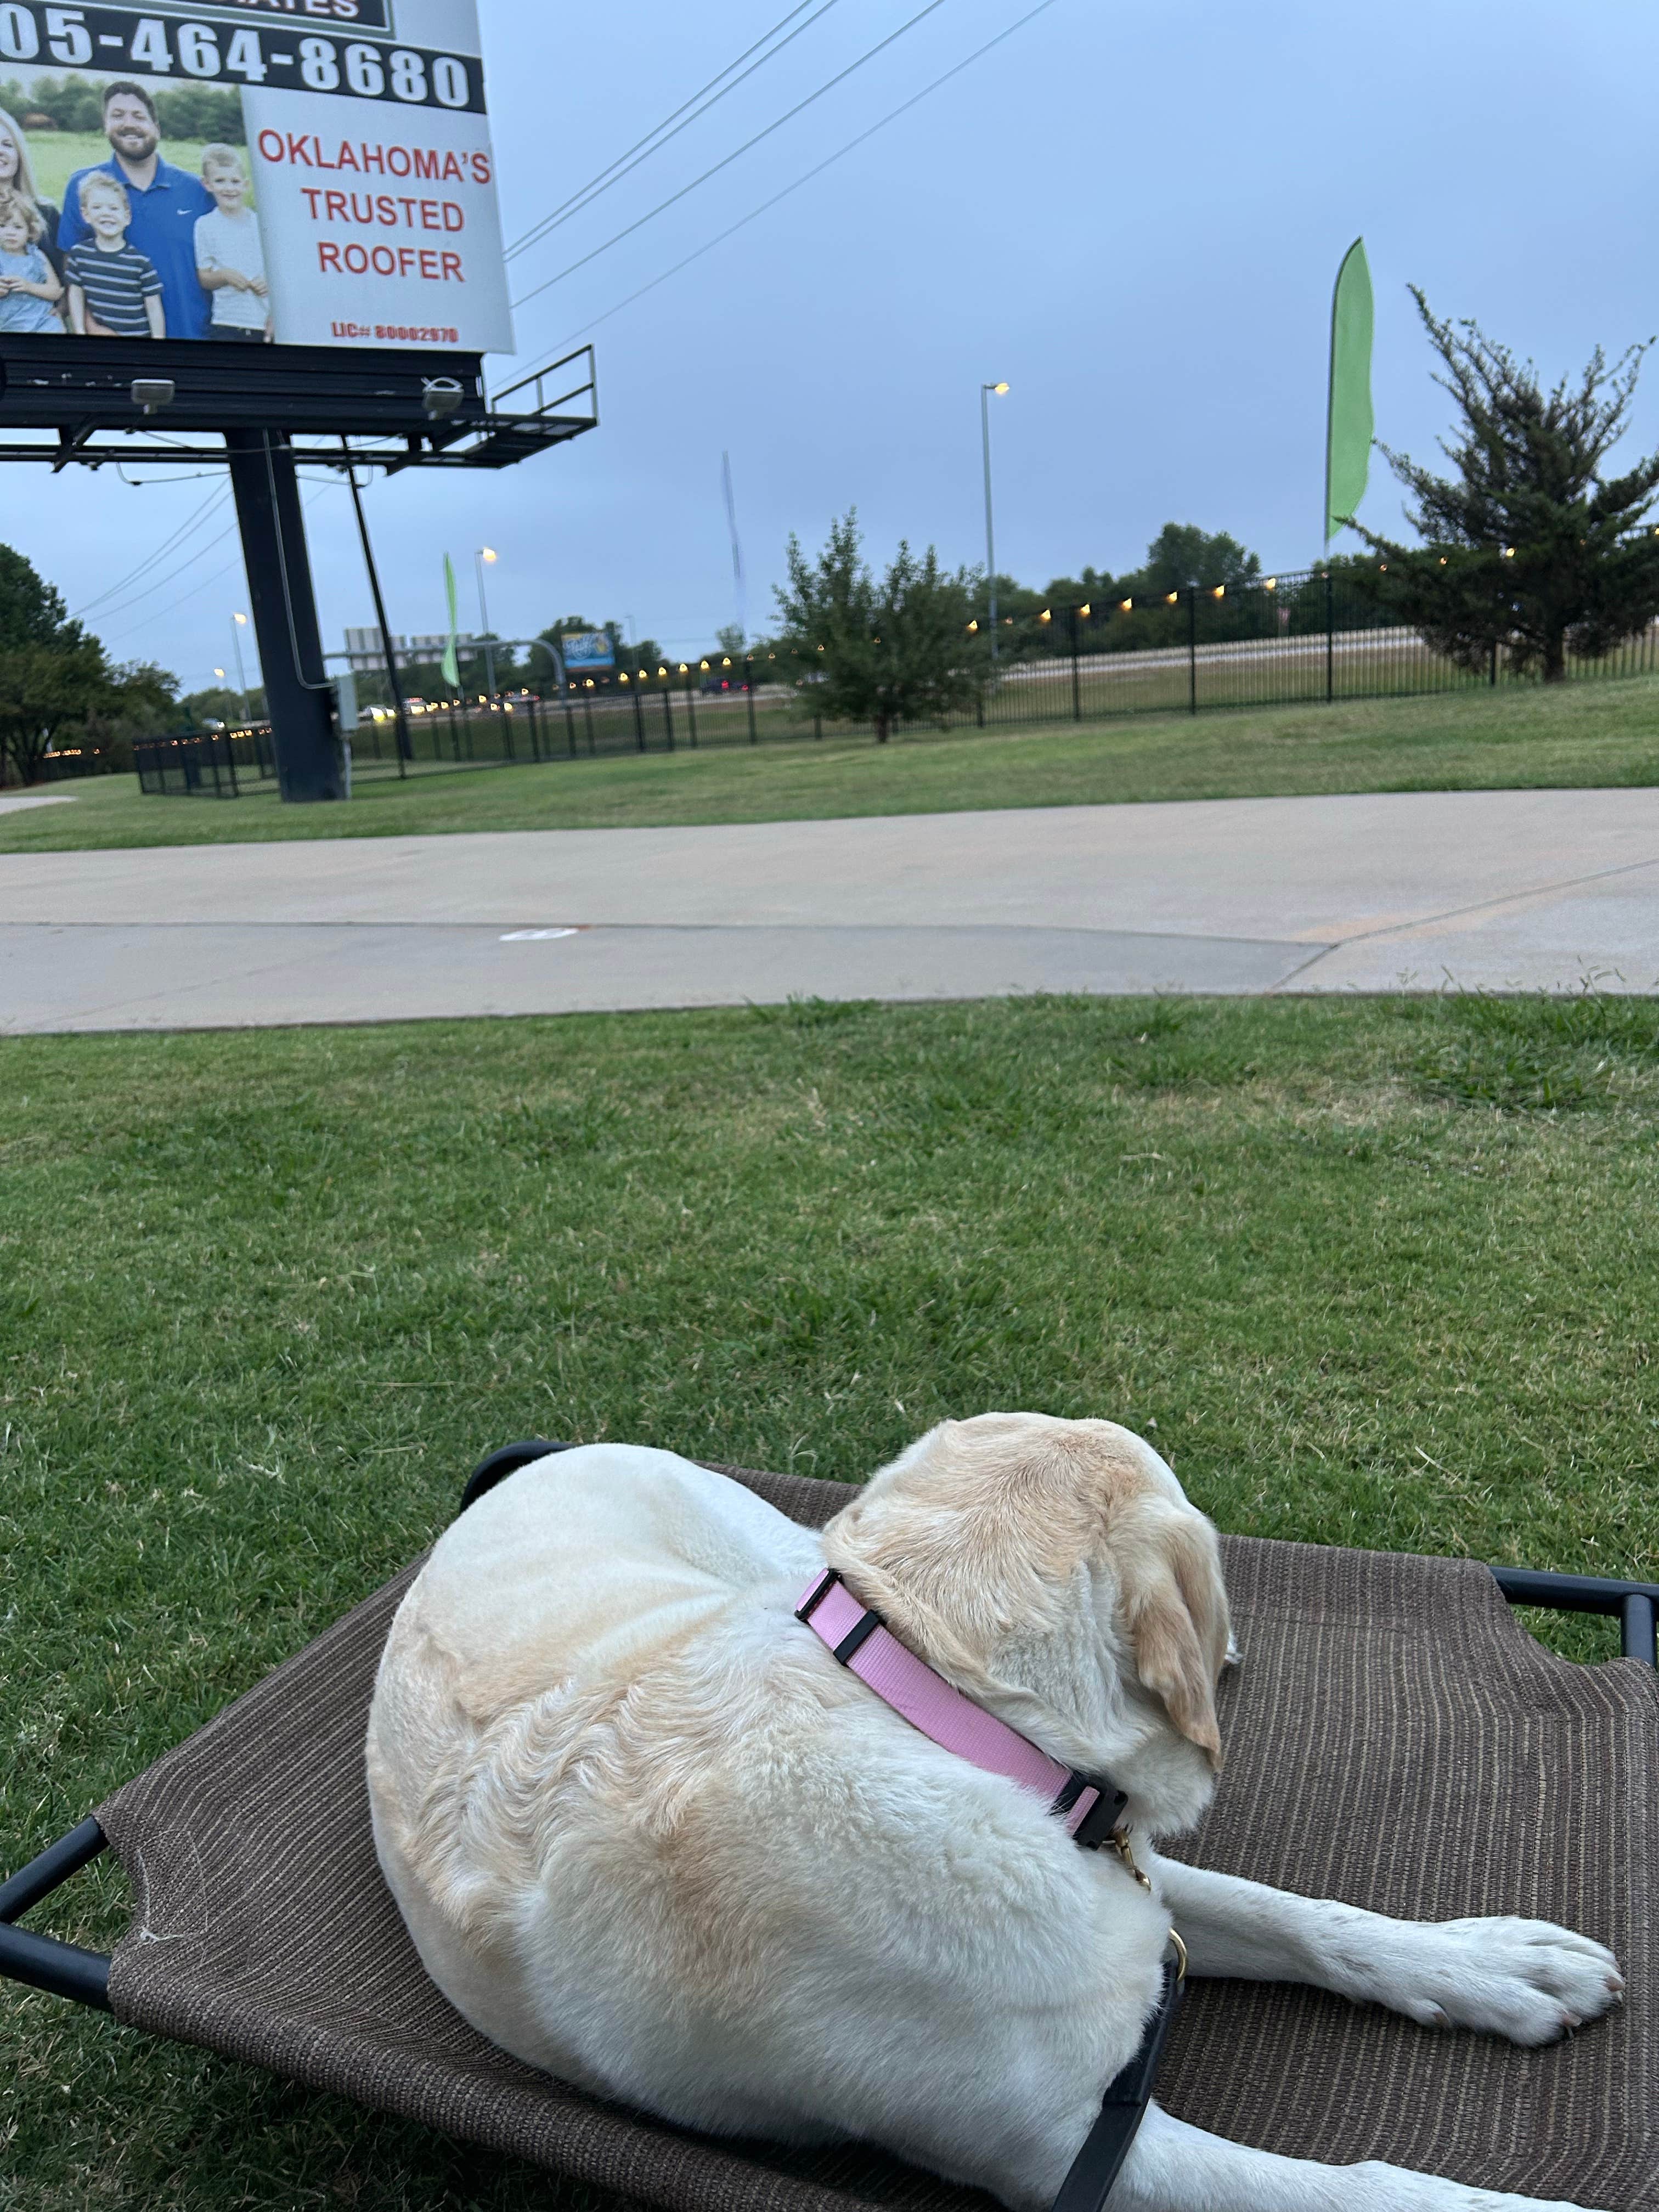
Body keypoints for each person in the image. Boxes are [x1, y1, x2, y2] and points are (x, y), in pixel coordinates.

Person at [59, 81, 212, 340]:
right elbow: (72, 267)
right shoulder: (83, 186)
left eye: (139, 116)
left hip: (195, 340)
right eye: (117, 116)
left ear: (157, 129)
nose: (129, 124)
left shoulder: (196, 190)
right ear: (105, 126)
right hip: (118, 348)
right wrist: (89, 326)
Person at [64, 173, 163, 339]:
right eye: (97, 208)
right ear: (86, 214)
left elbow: (153, 306)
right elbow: (75, 295)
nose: (106, 214)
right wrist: (80, 331)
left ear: (127, 217)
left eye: (114, 208)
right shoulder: (79, 255)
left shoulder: (140, 262)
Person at [194, 145, 270, 341]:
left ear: (245, 185)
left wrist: (270, 281)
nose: (229, 188)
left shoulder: (262, 224)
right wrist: (224, 276)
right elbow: (204, 278)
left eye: (235, 182)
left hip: (263, 321)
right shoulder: (205, 225)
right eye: (220, 181)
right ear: (207, 184)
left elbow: (282, 270)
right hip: (226, 322)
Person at [0, 105, 62, 281]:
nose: (1, 151)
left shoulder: (47, 213)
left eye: (7, 144)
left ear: (19, 154)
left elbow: (63, 281)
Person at [0, 185, 63, 331]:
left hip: (43, 323)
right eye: (2, 226)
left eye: (17, 227)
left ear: (30, 231)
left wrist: (29, 287)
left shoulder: (37, 256)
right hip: (9, 327)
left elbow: (56, 292)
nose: (10, 233)